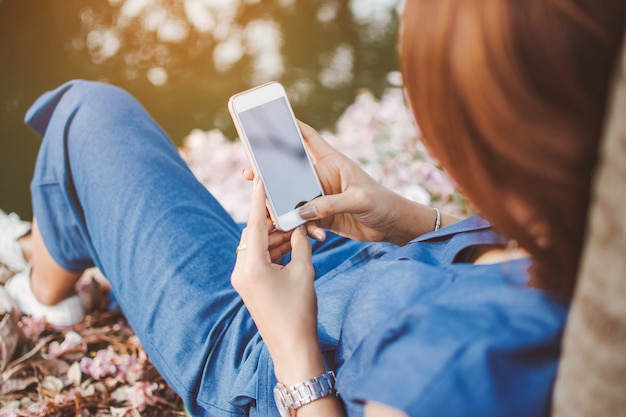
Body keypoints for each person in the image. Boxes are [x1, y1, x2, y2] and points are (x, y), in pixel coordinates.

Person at [1, 1, 624, 416]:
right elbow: (520, 261)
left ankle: (45, 286)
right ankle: (49, 260)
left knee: (89, 115)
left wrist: (288, 339)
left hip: (261, 348)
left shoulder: (449, 366)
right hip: (362, 267)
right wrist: (403, 219)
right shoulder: (597, 224)